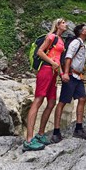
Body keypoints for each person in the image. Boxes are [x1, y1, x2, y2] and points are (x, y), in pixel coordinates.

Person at [23, 18, 68, 152]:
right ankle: (29, 140)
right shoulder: (51, 36)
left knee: (51, 102)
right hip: (46, 70)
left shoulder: (61, 40)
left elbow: (58, 59)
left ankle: (41, 134)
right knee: (38, 101)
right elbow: (40, 52)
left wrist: (61, 74)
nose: (66, 24)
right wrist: (52, 63)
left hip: (54, 73)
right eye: (64, 22)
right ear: (58, 25)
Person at [51, 23, 86, 142]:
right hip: (71, 75)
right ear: (82, 32)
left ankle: (78, 128)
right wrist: (66, 73)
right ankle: (56, 131)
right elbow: (68, 57)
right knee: (62, 102)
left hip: (78, 76)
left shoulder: (83, 44)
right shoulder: (76, 43)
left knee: (82, 98)